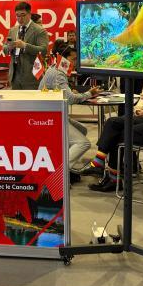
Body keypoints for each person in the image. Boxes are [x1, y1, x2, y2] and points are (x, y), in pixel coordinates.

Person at [38, 43, 101, 182]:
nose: (75, 62)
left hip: (52, 113)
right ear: (64, 58)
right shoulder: (58, 74)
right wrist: (89, 94)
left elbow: (64, 93)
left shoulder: (55, 69)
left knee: (82, 130)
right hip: (49, 118)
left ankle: (65, 166)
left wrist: (73, 92)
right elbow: (70, 99)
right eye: (74, 59)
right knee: (84, 143)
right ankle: (59, 174)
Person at [3, 2, 49, 90]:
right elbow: (5, 48)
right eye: (17, 15)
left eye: (23, 15)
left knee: (31, 99)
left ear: (29, 14)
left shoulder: (39, 30)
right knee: (16, 99)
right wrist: (9, 47)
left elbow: (43, 50)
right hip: (15, 75)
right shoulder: (12, 30)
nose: (20, 18)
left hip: (31, 75)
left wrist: (25, 46)